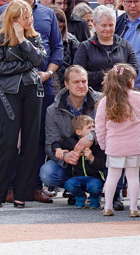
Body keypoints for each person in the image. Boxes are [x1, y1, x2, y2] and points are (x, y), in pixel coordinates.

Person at [0, 1, 47, 208]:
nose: (30, 20)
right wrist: (27, 63)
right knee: (8, 142)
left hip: (33, 90)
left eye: (30, 16)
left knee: (30, 143)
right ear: (13, 19)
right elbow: (0, 68)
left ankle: (23, 194)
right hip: (9, 92)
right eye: (25, 17)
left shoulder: (33, 37)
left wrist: (23, 40)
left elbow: (40, 60)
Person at [96, 63, 140, 217]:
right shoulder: (138, 97)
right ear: (130, 81)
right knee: (133, 177)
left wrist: (103, 144)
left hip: (114, 146)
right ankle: (134, 208)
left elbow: (100, 127)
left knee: (112, 177)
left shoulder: (105, 101)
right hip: (134, 146)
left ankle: (108, 207)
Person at [39, 65, 101, 200]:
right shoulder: (53, 110)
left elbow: (112, 130)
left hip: (98, 158)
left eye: (84, 81)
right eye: (76, 82)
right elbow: (50, 144)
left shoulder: (101, 101)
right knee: (47, 173)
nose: (81, 85)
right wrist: (65, 155)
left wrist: (92, 136)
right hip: (72, 162)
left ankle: (107, 189)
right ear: (66, 84)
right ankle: (76, 190)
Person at [72, 5, 138, 92]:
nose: (108, 29)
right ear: (95, 25)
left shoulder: (125, 45)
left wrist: (115, 76)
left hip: (121, 93)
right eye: (103, 25)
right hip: (94, 94)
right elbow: (78, 72)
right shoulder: (85, 47)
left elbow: (134, 69)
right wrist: (102, 76)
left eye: (111, 25)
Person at [62, 115, 106, 209]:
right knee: (69, 184)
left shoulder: (97, 145)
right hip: (78, 177)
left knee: (94, 186)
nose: (93, 130)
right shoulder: (72, 143)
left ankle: (95, 197)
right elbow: (57, 143)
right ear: (78, 132)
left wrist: (91, 158)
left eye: (94, 126)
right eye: (89, 127)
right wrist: (59, 151)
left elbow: (103, 164)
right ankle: (80, 196)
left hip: (94, 178)